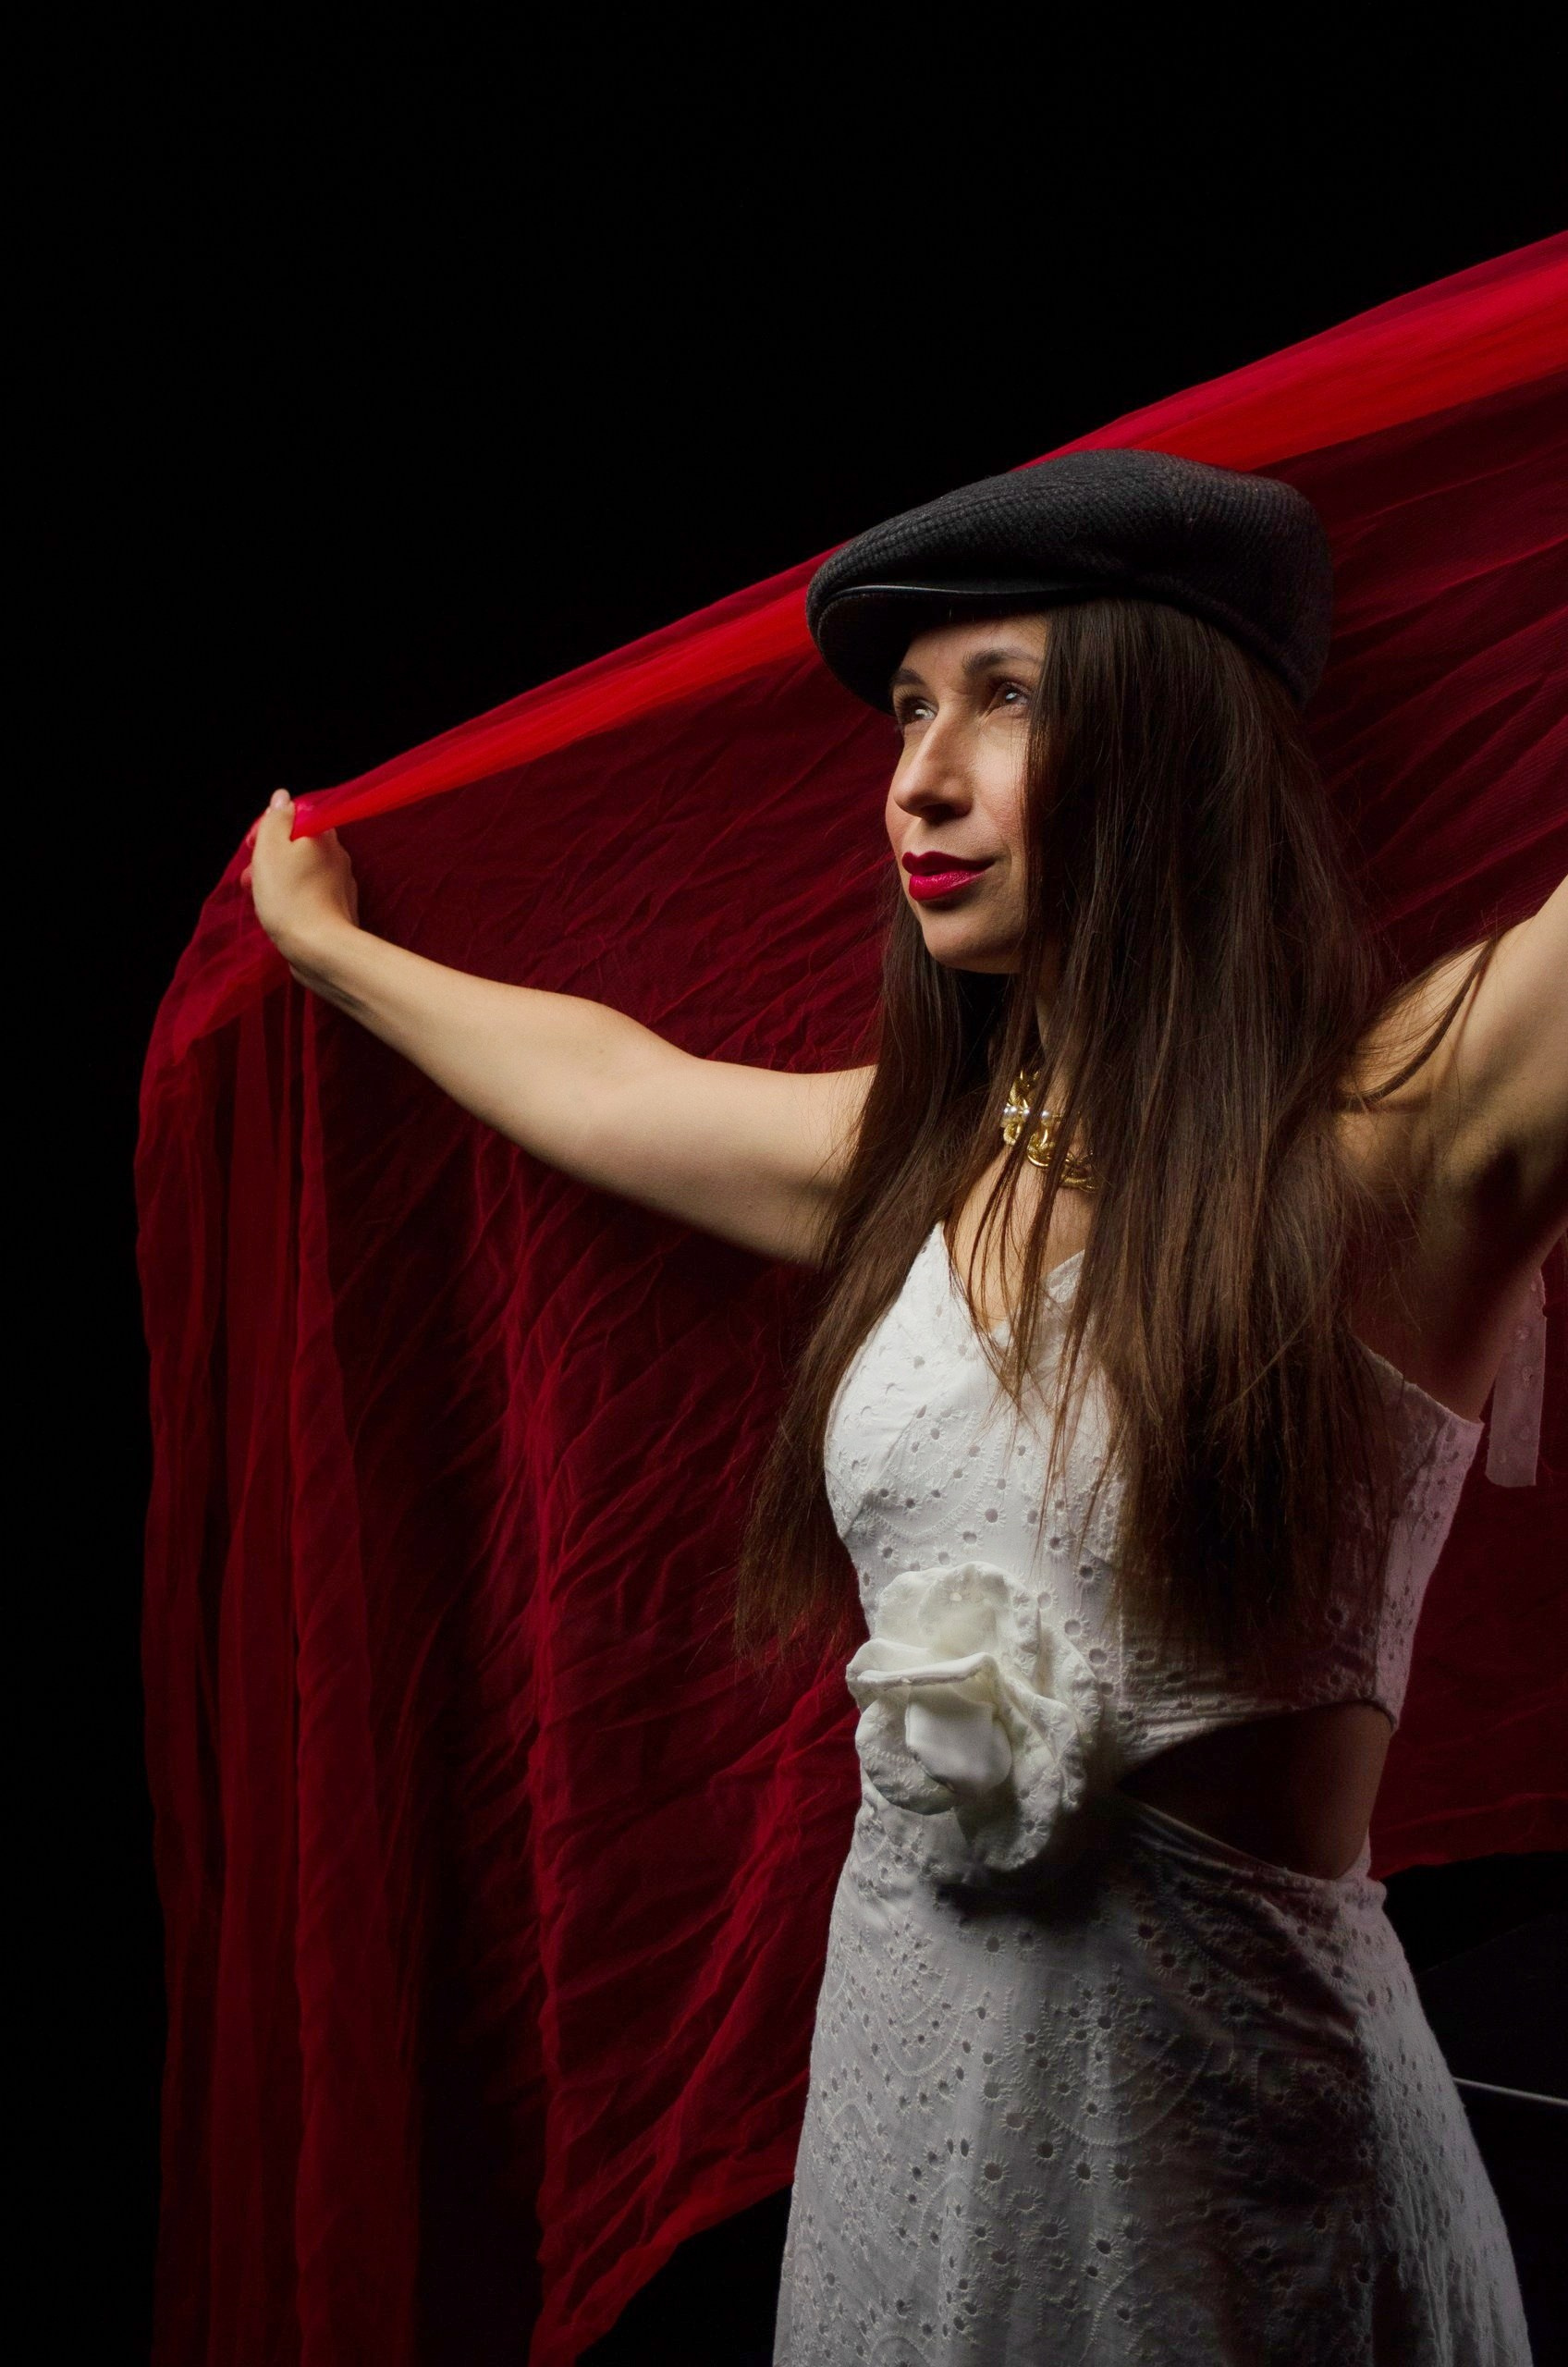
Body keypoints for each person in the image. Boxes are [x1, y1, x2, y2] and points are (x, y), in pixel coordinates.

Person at [244, 450, 1560, 2362]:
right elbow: (607, 1087)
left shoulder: (1395, 1140)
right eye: (907, 713)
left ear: (1177, 737)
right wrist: (330, 949)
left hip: (1229, 2170)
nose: (915, 782)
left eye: (1002, 697)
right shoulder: (918, 1166)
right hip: (899, 2108)